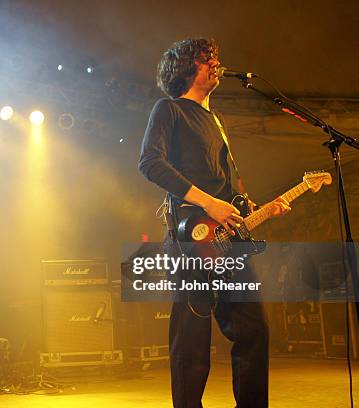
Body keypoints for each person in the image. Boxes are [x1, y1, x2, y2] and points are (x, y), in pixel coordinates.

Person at [138, 38, 290, 407]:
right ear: (187, 68)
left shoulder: (217, 123)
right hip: (192, 236)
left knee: (254, 329)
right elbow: (150, 163)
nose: (217, 64)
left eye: (216, 59)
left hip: (229, 239)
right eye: (208, 60)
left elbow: (227, 187)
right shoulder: (169, 109)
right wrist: (210, 204)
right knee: (192, 339)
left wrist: (252, 207)